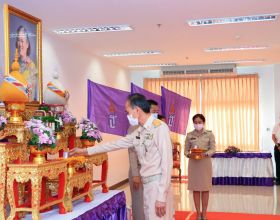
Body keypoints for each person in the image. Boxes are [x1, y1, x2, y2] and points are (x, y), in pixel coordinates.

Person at [71, 94, 173, 220]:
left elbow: (167, 163)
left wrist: (161, 196)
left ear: (137, 110)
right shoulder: (140, 131)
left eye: (128, 112)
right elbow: (114, 144)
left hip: (157, 185)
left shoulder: (159, 128)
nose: (127, 115)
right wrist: (85, 151)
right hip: (147, 184)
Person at [184, 114, 216, 220]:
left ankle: (204, 213)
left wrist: (205, 154)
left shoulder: (209, 134)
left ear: (203, 122)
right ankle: (198, 213)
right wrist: (190, 155)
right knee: (196, 189)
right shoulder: (189, 135)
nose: (198, 124)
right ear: (193, 123)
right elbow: (185, 150)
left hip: (205, 163)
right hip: (194, 164)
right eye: (196, 122)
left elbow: (213, 149)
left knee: (205, 189)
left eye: (200, 122)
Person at [15, 26, 37, 101]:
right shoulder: (13, 63)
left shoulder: (31, 66)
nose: (20, 44)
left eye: (22, 41)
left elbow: (30, 90)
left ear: (27, 44)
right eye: (18, 40)